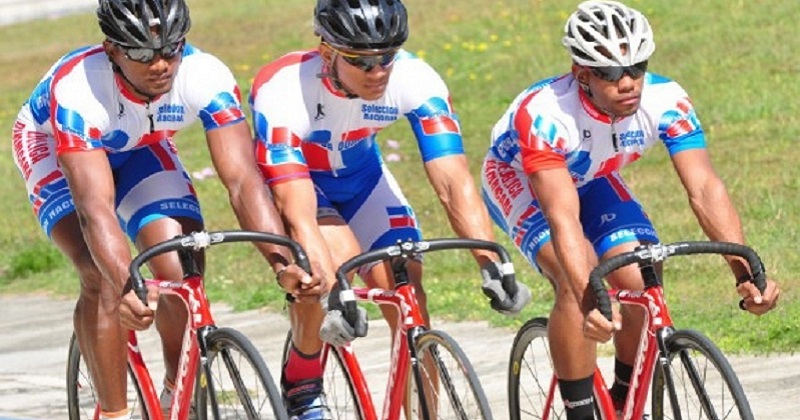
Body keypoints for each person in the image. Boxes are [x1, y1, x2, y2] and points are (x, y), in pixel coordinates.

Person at [10, 0, 323, 419]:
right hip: (54, 148)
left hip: (141, 147)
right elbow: (95, 210)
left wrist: (281, 262)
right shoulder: (79, 88)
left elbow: (243, 181)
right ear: (112, 50)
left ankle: (178, 392)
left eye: (171, 49)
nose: (160, 64)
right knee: (101, 277)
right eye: (142, 53)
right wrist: (126, 284)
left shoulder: (205, 74)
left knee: (180, 264)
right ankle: (115, 412)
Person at [481, 1, 781, 419]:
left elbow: (704, 187)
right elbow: (562, 217)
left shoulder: (667, 100)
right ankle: (580, 411)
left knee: (640, 274)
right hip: (523, 182)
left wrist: (744, 272)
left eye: (637, 67)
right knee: (575, 280)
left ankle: (624, 398)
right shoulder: (547, 115)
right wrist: (589, 298)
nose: (627, 82)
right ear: (582, 75)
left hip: (592, 177)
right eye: (609, 72)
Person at [248, 0, 532, 417]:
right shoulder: (284, 89)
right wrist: (330, 289)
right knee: (329, 275)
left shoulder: (416, 79)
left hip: (365, 181)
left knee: (406, 288)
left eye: (387, 57)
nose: (378, 71)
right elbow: (297, 209)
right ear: (327, 52)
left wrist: (489, 262)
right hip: (305, 186)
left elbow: (453, 182)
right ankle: (303, 378)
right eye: (361, 61)